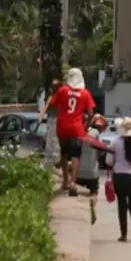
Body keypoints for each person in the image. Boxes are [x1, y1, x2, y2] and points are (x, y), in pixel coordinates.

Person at [39, 68, 96, 196]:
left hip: (62, 127)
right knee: (75, 155)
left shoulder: (63, 90)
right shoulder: (85, 93)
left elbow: (52, 104)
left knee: (64, 153)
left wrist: (53, 92)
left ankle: (65, 181)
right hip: (77, 128)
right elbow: (91, 114)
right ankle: (73, 183)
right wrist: (85, 127)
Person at [76, 114, 111, 225]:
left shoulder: (82, 132)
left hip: (79, 171)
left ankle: (82, 213)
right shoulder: (96, 134)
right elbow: (99, 150)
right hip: (92, 170)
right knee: (94, 192)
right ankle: (91, 206)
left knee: (80, 194)